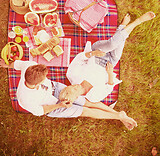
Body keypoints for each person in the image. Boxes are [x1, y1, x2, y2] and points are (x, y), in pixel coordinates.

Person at [0, 59, 137, 130]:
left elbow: (17, 65)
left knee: (87, 102)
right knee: (84, 111)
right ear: (35, 85)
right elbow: (42, 110)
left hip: (57, 88)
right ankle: (119, 116)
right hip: (52, 106)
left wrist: (5, 65)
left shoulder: (29, 67)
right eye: (44, 79)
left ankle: (119, 115)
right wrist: (60, 105)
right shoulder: (25, 99)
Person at [66, 11, 155, 103]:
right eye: (75, 89)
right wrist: (110, 74)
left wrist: (94, 53)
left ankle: (138, 21)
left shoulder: (72, 75)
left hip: (96, 53)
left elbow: (80, 58)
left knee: (112, 44)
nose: (75, 86)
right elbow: (109, 88)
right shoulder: (93, 97)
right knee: (118, 49)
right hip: (110, 63)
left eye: (72, 86)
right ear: (77, 97)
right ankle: (122, 27)